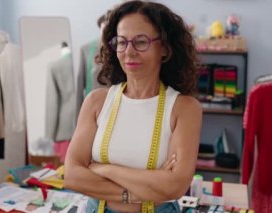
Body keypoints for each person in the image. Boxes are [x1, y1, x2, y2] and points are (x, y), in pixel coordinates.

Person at [65, 1, 202, 212]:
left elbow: (175, 186)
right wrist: (141, 190)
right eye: (121, 42)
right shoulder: (96, 102)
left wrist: (104, 169)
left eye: (141, 42)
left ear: (165, 48)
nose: (129, 51)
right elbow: (73, 176)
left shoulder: (184, 109)